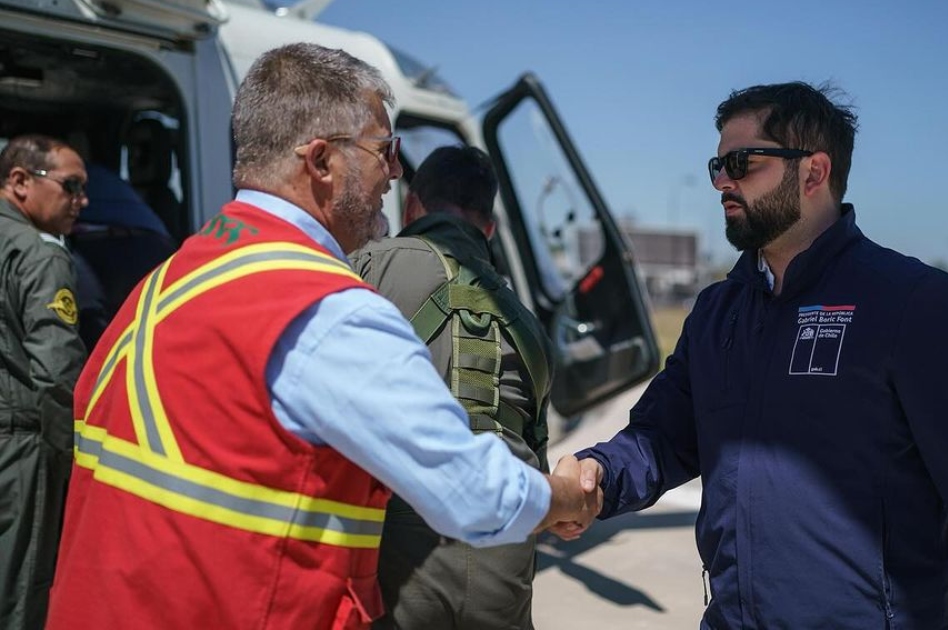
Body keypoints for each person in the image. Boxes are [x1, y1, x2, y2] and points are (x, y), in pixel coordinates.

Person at [44, 43, 595, 630]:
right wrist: (566, 497)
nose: (397, 173)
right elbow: (472, 492)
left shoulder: (165, 282)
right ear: (322, 162)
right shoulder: (326, 310)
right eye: (386, 150)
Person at [553, 81, 948, 628]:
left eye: (741, 162)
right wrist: (597, 475)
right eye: (717, 166)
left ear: (813, 172)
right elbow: (662, 435)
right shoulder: (718, 312)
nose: (723, 182)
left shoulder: (913, 304)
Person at [351, 145, 553, 630]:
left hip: (402, 542)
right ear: (491, 230)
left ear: (411, 206)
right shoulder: (526, 324)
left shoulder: (365, 266)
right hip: (504, 548)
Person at [0, 134, 88, 630]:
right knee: (19, 598)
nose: (82, 201)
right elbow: (57, 374)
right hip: (20, 450)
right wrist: (72, 467)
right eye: (70, 186)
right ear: (19, 182)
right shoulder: (40, 256)